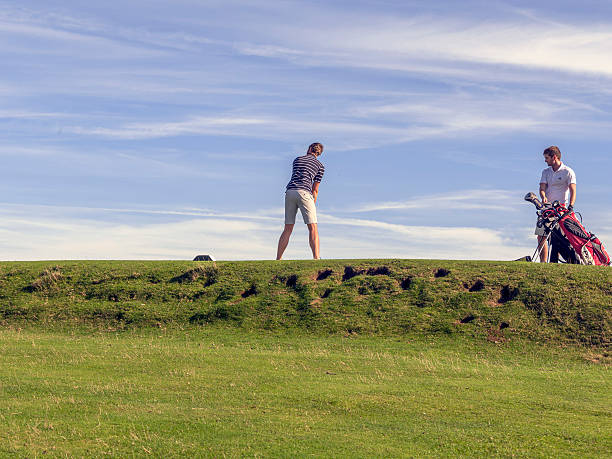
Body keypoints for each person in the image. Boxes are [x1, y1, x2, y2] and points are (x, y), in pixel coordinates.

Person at [276, 142, 325, 260]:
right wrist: (313, 202)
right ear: (319, 153)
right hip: (305, 193)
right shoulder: (320, 166)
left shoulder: (297, 160)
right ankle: (316, 258)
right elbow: (315, 189)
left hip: (290, 191)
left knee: (288, 227)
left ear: (309, 149)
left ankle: (278, 258)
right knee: (313, 227)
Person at [536, 146, 576, 263]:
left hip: (561, 209)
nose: (545, 160)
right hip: (546, 209)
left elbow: (572, 190)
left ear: (554, 157)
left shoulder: (567, 171)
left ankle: (554, 262)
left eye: (547, 158)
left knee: (557, 238)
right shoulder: (546, 172)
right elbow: (542, 187)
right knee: (541, 235)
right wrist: (543, 197)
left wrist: (571, 206)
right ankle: (543, 263)